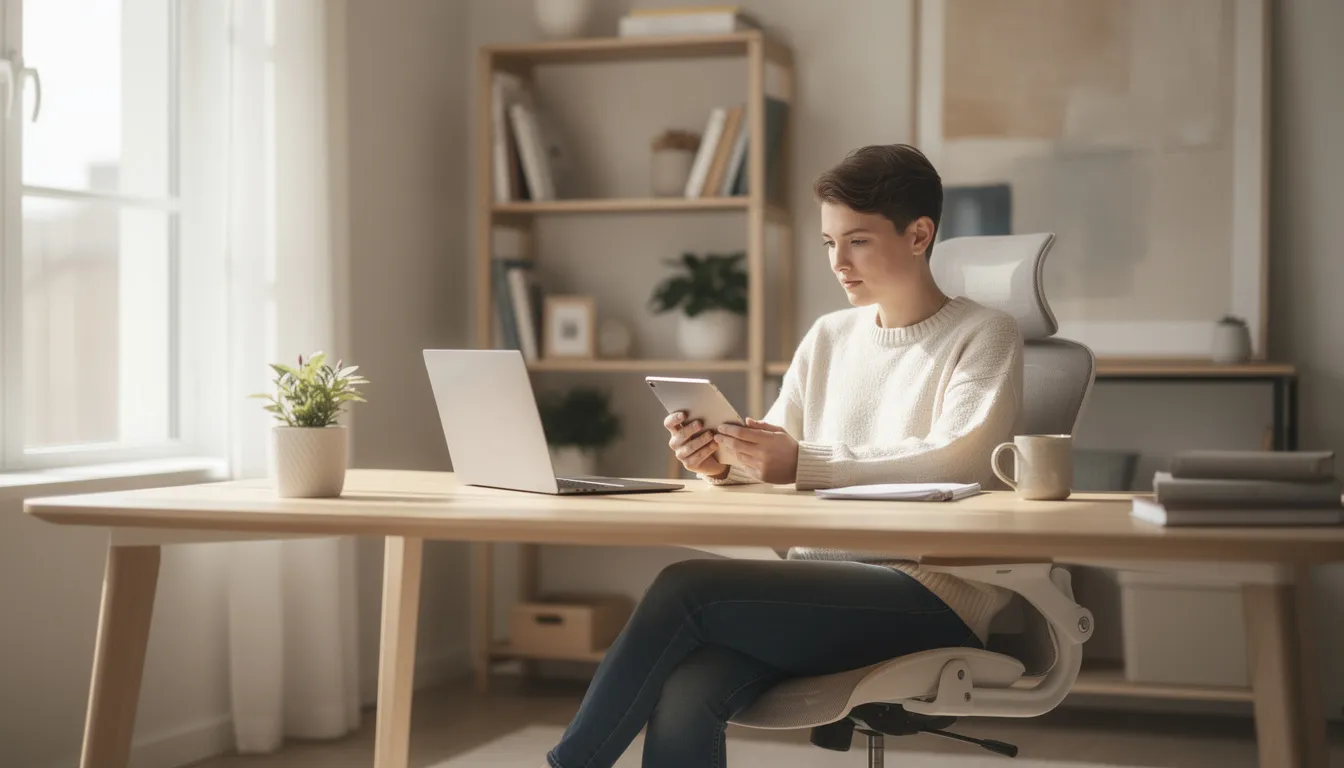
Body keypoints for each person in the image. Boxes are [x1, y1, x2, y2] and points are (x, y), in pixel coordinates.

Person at [544, 144, 1023, 768]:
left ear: (919, 234)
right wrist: (722, 460)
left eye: (857, 241)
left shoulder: (986, 334)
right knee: (689, 691)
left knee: (687, 587)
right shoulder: (829, 336)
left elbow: (958, 459)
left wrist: (800, 463)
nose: (838, 263)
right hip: (818, 593)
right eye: (828, 244)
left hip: (929, 595)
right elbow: (779, 450)